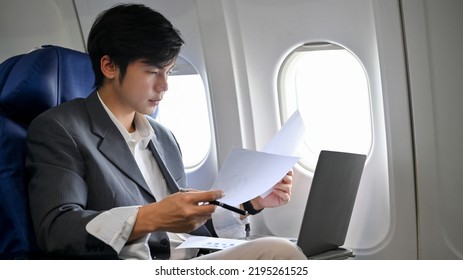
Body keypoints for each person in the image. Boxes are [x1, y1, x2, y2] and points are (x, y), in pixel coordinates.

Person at [26, 3, 306, 260]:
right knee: (279, 253)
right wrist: (149, 217)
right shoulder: (60, 129)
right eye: (152, 71)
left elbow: (182, 230)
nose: (164, 86)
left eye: (169, 72)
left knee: (293, 248)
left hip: (186, 259)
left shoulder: (162, 137)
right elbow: (57, 229)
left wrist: (250, 203)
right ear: (109, 66)